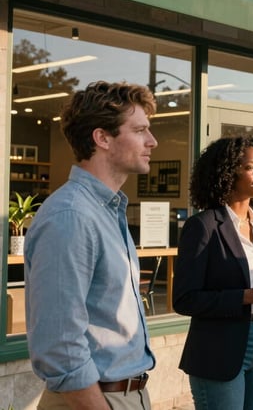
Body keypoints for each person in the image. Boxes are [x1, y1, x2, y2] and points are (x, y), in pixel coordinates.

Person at [24, 81, 157, 409]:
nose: (152, 141)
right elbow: (59, 345)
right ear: (102, 138)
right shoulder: (70, 216)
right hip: (93, 399)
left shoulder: (107, 211)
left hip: (126, 394)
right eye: (140, 130)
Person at [173, 136, 253, 410]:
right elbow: (185, 299)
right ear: (227, 172)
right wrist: (247, 296)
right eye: (250, 167)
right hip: (219, 349)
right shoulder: (202, 226)